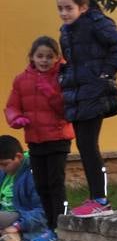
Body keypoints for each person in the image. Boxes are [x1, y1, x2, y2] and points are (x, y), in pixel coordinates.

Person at [57, 0, 117, 218]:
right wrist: (64, 76)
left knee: (89, 144)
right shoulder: (66, 30)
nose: (64, 13)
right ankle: (95, 197)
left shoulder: (97, 23)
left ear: (83, 7)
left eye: (68, 8)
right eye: (60, 9)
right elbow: (72, 61)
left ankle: (101, 200)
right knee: (84, 145)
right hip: (77, 93)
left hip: (95, 91)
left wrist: (105, 73)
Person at [5, 36, 73, 229]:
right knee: (41, 185)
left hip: (58, 138)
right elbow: (12, 106)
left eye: (49, 56)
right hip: (35, 139)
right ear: (32, 57)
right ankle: (49, 226)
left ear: (57, 57)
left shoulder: (63, 77)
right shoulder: (21, 80)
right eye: (40, 56)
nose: (44, 60)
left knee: (55, 183)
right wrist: (16, 118)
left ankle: (61, 225)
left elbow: (68, 110)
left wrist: (51, 93)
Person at [0, 135, 58, 241]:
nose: (2, 168)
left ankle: (17, 235)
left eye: (4, 164)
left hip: (21, 217)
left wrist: (18, 226)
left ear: (18, 156)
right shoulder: (3, 171)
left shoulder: (34, 174)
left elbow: (43, 211)